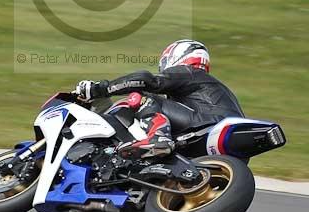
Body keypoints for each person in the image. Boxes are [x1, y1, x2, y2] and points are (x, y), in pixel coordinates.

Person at [75, 39, 245, 159]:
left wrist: (101, 89)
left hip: (207, 125)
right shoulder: (211, 87)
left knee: (141, 97)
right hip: (228, 148)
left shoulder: (189, 72)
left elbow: (147, 80)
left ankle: (158, 138)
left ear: (177, 56)